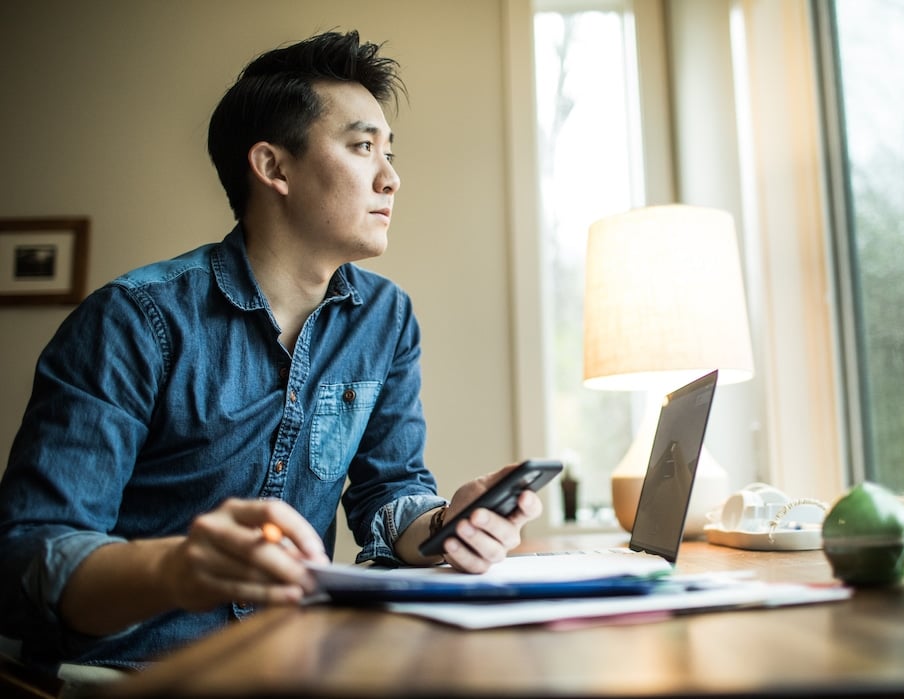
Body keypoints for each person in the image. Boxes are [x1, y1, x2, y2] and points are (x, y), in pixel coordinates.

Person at [0, 30, 542, 672]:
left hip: (294, 663)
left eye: (389, 153)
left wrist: (449, 525)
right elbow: (29, 558)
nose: (391, 178)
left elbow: (388, 494)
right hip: (131, 675)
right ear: (273, 167)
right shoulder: (133, 320)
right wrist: (176, 568)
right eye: (364, 147)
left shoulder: (385, 318)